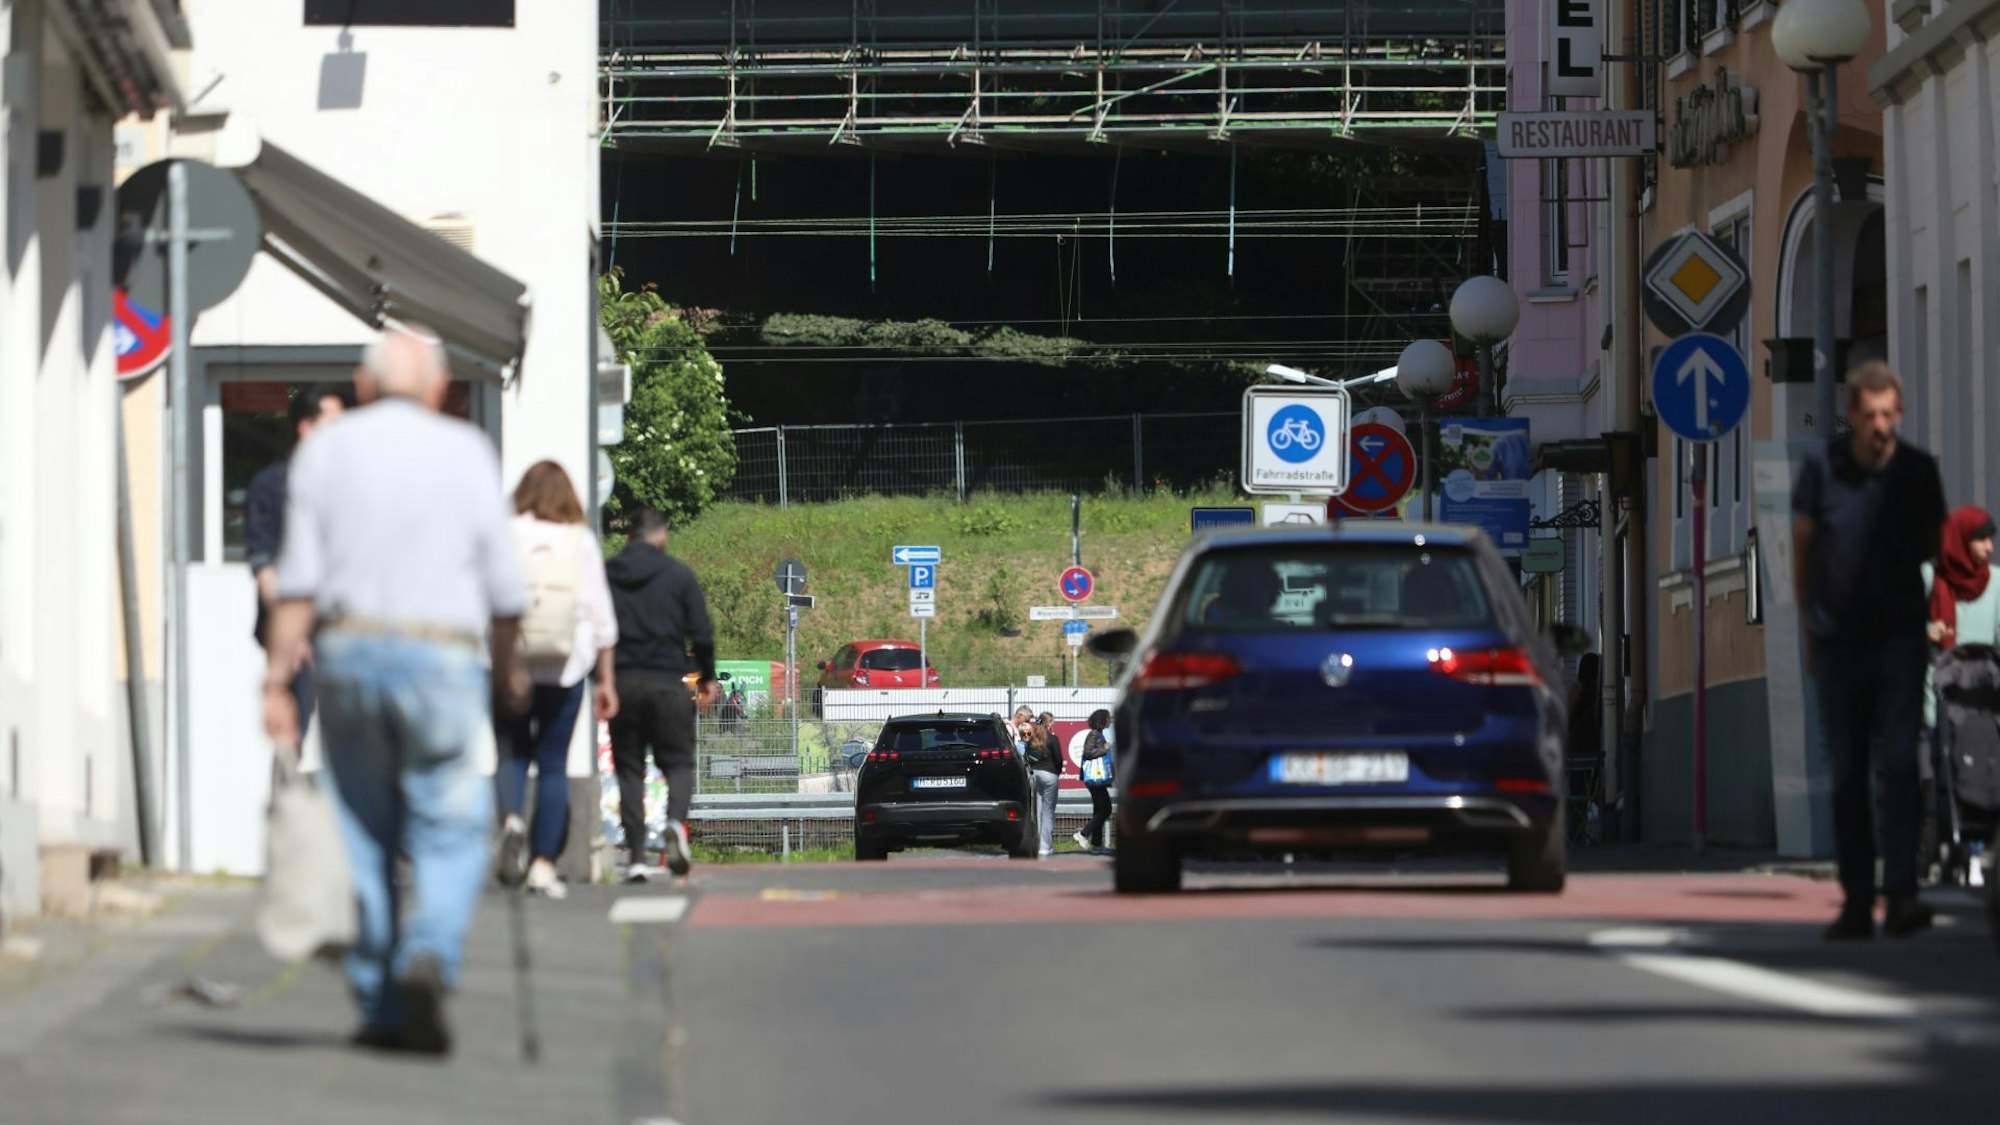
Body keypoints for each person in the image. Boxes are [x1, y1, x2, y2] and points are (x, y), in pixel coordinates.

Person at [261, 325, 529, 1055]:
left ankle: (381, 1001)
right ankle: (429, 955)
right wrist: (509, 673)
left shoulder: (323, 452)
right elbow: (507, 591)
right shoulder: (468, 452)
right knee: (447, 823)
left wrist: (278, 679)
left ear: (366, 384)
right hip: (441, 658)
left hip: (347, 653)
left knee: (363, 829)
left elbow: (298, 581)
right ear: (440, 388)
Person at [1792, 361, 1948, 940]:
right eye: (1870, 414)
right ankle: (1858, 899)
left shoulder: (1917, 474)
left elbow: (1935, 550)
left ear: (1898, 415)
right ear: (1853, 414)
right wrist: (1808, 627)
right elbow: (1803, 549)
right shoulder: (1822, 469)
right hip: (1838, 640)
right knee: (1850, 771)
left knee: (1904, 761)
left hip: (1903, 637)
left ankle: (1902, 890)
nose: (1880, 424)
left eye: (1889, 414)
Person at [495, 461, 620, 901]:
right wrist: (606, 680)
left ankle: (511, 819)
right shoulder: (580, 541)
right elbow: (601, 617)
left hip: (513, 663)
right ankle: (543, 866)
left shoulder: (505, 532)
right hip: (566, 666)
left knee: (511, 752)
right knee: (551, 763)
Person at [606, 508, 718, 881]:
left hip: (622, 683)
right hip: (667, 683)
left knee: (630, 769)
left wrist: (600, 681)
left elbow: (593, 628)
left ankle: (637, 856)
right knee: (679, 763)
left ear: (629, 536)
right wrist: (707, 677)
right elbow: (701, 633)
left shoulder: (608, 574)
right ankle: (673, 821)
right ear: (662, 536)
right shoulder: (677, 575)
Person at [245, 384, 351, 735]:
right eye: (333, 424)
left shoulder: (349, 483)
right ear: (306, 427)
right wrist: (294, 636)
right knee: (293, 734)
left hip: (345, 632)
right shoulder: (273, 485)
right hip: (291, 637)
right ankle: (288, 788)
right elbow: (267, 568)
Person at [1018, 711, 1063, 857]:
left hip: (1034, 775)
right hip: (1049, 775)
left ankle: (1036, 845)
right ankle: (1045, 846)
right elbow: (1059, 760)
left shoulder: (1032, 738)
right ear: (1049, 723)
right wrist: (1056, 772)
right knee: (1048, 811)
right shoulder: (1053, 739)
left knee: (1036, 811)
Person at [1074, 708, 1114, 851]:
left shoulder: (1099, 734)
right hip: (1094, 777)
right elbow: (1088, 752)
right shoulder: (1094, 734)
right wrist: (1104, 748)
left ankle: (1097, 844)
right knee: (1106, 809)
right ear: (1102, 720)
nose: (1110, 720)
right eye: (1108, 718)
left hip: (1098, 778)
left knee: (1099, 808)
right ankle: (1083, 834)